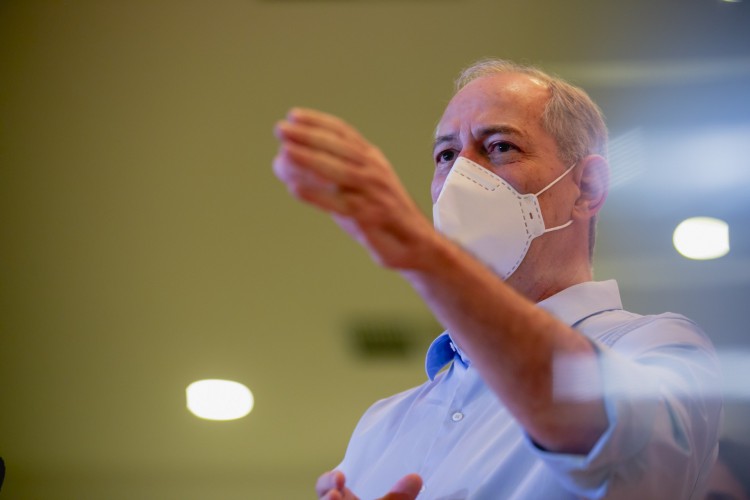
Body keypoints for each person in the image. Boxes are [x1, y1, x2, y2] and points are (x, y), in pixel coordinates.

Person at [272, 59, 723, 499]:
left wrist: (423, 255)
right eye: (446, 155)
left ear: (586, 188)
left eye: (500, 146)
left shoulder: (657, 348)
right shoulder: (380, 426)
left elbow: (618, 448)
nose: (460, 178)